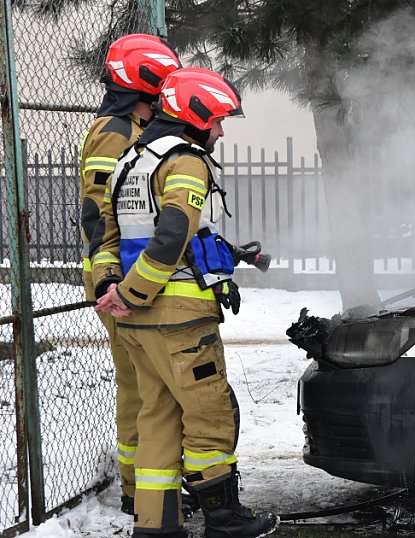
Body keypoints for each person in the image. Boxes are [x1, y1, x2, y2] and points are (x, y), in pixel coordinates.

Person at [92, 67, 278, 538]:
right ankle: (224, 519)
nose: (218, 131)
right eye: (216, 121)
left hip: (137, 326)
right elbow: (172, 235)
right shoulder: (185, 161)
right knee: (208, 414)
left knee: (156, 418)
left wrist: (111, 289)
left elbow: (105, 238)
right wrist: (133, 293)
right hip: (179, 322)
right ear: (194, 116)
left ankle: (156, 526)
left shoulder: (130, 161)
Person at [79, 33, 180, 516]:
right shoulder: (116, 131)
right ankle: (137, 489)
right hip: (116, 276)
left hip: (130, 273)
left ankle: (144, 485)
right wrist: (110, 278)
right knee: (141, 385)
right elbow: (98, 211)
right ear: (146, 83)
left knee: (146, 383)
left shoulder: (132, 126)